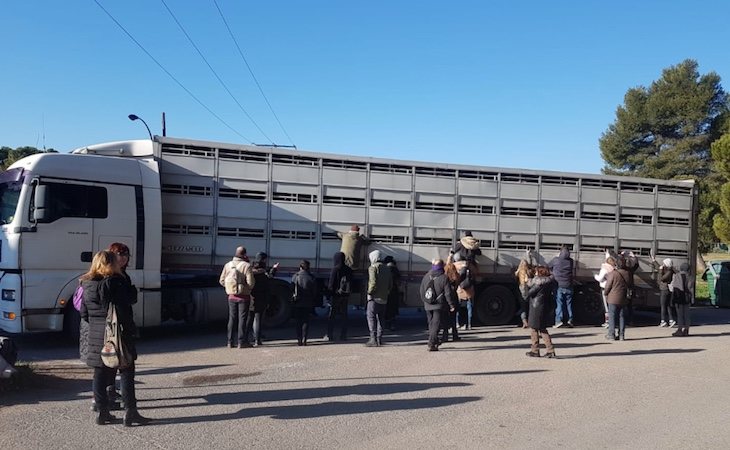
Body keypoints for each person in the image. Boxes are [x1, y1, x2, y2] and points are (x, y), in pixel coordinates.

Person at [80, 250, 150, 426]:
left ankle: (102, 412)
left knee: (99, 373)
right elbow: (127, 306)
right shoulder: (116, 282)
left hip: (97, 335)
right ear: (112, 263)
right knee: (126, 371)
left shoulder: (86, 283)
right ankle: (130, 412)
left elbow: (84, 313)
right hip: (118, 334)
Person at [219, 246, 255, 348]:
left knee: (232, 318)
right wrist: (246, 288)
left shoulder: (228, 265)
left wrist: (230, 287)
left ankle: (230, 342)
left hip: (231, 296)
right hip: (244, 297)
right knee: (242, 319)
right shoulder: (246, 266)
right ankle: (241, 342)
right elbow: (251, 283)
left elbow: (221, 280)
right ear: (245, 254)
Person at [420, 259, 457, 351]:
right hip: (438, 305)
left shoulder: (426, 276)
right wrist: (451, 305)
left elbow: (421, 291)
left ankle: (435, 341)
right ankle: (431, 343)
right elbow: (448, 293)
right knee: (436, 324)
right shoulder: (444, 278)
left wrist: (425, 301)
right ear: (442, 266)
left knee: (431, 323)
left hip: (427, 304)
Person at [524, 266, 557, 358]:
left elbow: (528, 294)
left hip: (536, 308)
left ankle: (536, 350)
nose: (535, 273)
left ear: (541, 273)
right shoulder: (548, 282)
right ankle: (550, 350)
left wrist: (527, 282)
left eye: (537, 272)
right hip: (543, 307)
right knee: (542, 329)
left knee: (535, 329)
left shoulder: (539, 283)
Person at [248, 252, 279, 347]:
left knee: (250, 318)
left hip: (251, 296)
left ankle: (246, 338)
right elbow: (269, 277)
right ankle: (257, 339)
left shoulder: (251, 269)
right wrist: (274, 269)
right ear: (264, 260)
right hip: (261, 297)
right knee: (258, 319)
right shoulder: (262, 270)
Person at [365, 250, 392, 347]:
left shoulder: (373, 268)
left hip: (374, 297)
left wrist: (369, 292)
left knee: (371, 317)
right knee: (381, 318)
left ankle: (373, 339)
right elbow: (390, 284)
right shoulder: (387, 268)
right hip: (384, 298)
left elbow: (373, 282)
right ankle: (379, 339)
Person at [325, 251, 353, 341]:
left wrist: (328, 296)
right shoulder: (349, 269)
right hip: (345, 296)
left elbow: (331, 284)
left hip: (336, 295)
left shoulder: (335, 269)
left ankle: (330, 335)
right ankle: (343, 335)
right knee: (344, 316)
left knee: (331, 316)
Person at [291, 259, 318, 346]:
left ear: (300, 267)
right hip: (308, 301)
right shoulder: (312, 277)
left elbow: (292, 289)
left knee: (298, 321)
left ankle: (299, 339)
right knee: (306, 320)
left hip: (297, 301)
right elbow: (314, 291)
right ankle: (304, 339)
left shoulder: (295, 276)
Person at [603, 257, 630, 341]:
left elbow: (608, 286)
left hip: (613, 298)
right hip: (623, 298)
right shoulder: (627, 273)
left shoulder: (613, 274)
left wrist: (605, 293)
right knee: (622, 316)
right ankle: (621, 335)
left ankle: (611, 335)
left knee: (612, 316)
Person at [549, 246, 574, 328]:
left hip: (559, 285)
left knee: (559, 303)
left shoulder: (556, 260)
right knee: (568, 304)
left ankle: (558, 321)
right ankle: (570, 320)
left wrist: (553, 273)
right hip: (569, 285)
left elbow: (548, 266)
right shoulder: (571, 261)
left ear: (560, 252)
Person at [453, 252, 475, 331]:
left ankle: (457, 323)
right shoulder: (470, 265)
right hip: (470, 290)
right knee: (470, 308)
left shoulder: (455, 266)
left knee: (457, 308)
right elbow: (476, 273)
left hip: (460, 290)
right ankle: (469, 324)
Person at [594, 253, 617, 328]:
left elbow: (600, 278)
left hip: (605, 287)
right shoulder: (613, 268)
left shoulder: (604, 268)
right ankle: (612, 321)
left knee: (606, 306)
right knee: (611, 305)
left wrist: (595, 276)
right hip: (612, 288)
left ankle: (607, 322)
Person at [652, 257, 675, 327]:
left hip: (665, 290)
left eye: (664, 263)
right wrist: (654, 260)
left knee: (663, 305)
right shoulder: (668, 270)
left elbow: (661, 279)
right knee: (668, 305)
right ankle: (671, 320)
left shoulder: (669, 272)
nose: (662, 264)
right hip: (666, 289)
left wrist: (660, 271)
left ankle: (663, 321)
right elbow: (658, 267)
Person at [671, 262, 692, 337]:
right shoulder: (690, 276)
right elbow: (690, 288)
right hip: (687, 297)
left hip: (679, 297)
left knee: (680, 315)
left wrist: (673, 298)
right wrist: (691, 298)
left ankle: (679, 330)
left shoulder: (677, 276)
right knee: (687, 314)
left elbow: (675, 287)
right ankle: (686, 330)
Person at [442, 260, 461, 342]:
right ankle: (455, 335)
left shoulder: (444, 278)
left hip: (446, 299)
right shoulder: (456, 277)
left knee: (445, 317)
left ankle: (445, 336)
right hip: (454, 297)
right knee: (453, 317)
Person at [515, 258, 534, 329]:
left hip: (520, 290)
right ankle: (526, 321)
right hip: (527, 291)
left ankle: (524, 321)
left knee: (523, 307)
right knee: (528, 307)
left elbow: (515, 276)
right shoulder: (527, 272)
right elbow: (527, 281)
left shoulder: (518, 271)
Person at [383, 256, 401, 331]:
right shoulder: (396, 269)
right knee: (393, 309)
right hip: (394, 291)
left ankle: (387, 325)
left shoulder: (385, 269)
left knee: (387, 309)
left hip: (387, 291)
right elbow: (398, 282)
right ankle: (392, 325)